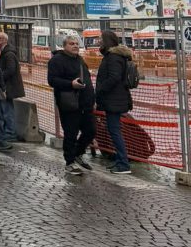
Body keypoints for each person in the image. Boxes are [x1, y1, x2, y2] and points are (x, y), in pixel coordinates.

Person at [47, 34, 95, 175]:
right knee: (71, 133)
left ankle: (77, 154)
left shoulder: (80, 60)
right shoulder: (56, 60)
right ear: (64, 46)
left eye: (76, 43)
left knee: (91, 131)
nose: (75, 46)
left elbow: (88, 81)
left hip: (85, 103)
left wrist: (92, 99)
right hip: (69, 103)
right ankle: (69, 162)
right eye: (71, 43)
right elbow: (52, 80)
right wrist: (70, 84)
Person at [95, 29, 134, 175]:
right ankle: (120, 161)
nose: (98, 41)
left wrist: (100, 89)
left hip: (113, 100)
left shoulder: (113, 57)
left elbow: (114, 77)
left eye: (100, 39)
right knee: (114, 130)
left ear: (106, 41)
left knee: (115, 131)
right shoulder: (114, 56)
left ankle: (123, 163)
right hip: (115, 99)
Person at [0, 30, 24, 151]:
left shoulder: (8, 53)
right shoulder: (2, 52)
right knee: (6, 109)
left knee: (7, 110)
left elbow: (11, 69)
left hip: (9, 86)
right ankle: (8, 132)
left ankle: (10, 133)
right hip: (6, 86)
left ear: (4, 40)